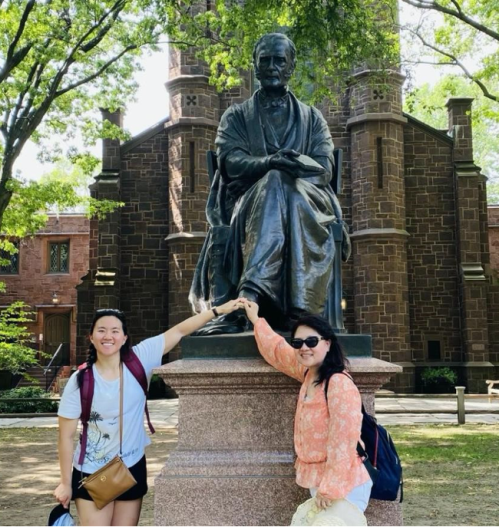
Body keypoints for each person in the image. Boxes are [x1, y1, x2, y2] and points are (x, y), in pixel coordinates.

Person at [190, 32, 350, 333]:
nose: (272, 66)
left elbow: (324, 167)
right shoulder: (236, 117)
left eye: (279, 60)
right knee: (274, 179)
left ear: (291, 67)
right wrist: (269, 164)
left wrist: (291, 170)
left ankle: (249, 295)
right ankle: (299, 310)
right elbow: (229, 161)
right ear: (255, 65)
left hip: (307, 204)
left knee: (283, 183)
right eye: (265, 60)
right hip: (248, 205)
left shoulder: (313, 119)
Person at [54, 299, 243, 526]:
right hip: (91, 471)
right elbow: (65, 437)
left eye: (115, 331)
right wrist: (65, 483)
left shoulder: (140, 359)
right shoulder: (80, 380)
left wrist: (217, 310)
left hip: (131, 465)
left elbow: (180, 330)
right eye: (101, 330)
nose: (108, 336)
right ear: (91, 337)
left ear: (124, 338)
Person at [241, 299, 371, 521]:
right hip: (320, 482)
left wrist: (330, 488)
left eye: (312, 341)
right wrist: (255, 319)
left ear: (327, 343)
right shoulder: (308, 374)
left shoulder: (338, 383)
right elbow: (277, 349)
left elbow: (344, 439)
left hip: (344, 484)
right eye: (298, 342)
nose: (304, 348)